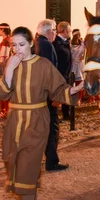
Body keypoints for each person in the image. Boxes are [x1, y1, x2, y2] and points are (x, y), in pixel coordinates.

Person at [0, 26, 85, 200]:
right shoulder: (9, 64)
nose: (17, 49)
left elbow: (58, 89)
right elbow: (2, 93)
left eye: (21, 45)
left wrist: (73, 90)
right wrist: (9, 72)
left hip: (36, 120)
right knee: (12, 163)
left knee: (27, 167)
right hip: (15, 122)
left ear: (32, 43)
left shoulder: (43, 65)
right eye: (13, 45)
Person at [34, 19, 69, 171]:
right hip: (46, 94)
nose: (55, 32)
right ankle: (52, 162)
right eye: (54, 30)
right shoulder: (47, 45)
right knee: (52, 127)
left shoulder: (35, 43)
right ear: (48, 31)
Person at [0, 23, 13, 118]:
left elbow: (3, 59)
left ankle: (5, 111)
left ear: (2, 30)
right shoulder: (8, 40)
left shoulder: (5, 42)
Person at [53, 21, 72, 121]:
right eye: (69, 30)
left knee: (66, 95)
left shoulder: (66, 42)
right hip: (60, 75)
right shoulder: (57, 43)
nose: (70, 32)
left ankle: (66, 114)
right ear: (64, 31)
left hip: (66, 75)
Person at [70, 29, 85, 106]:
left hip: (77, 65)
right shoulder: (71, 44)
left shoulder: (81, 43)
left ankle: (77, 99)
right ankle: (77, 98)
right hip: (75, 64)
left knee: (77, 82)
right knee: (75, 82)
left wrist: (83, 56)